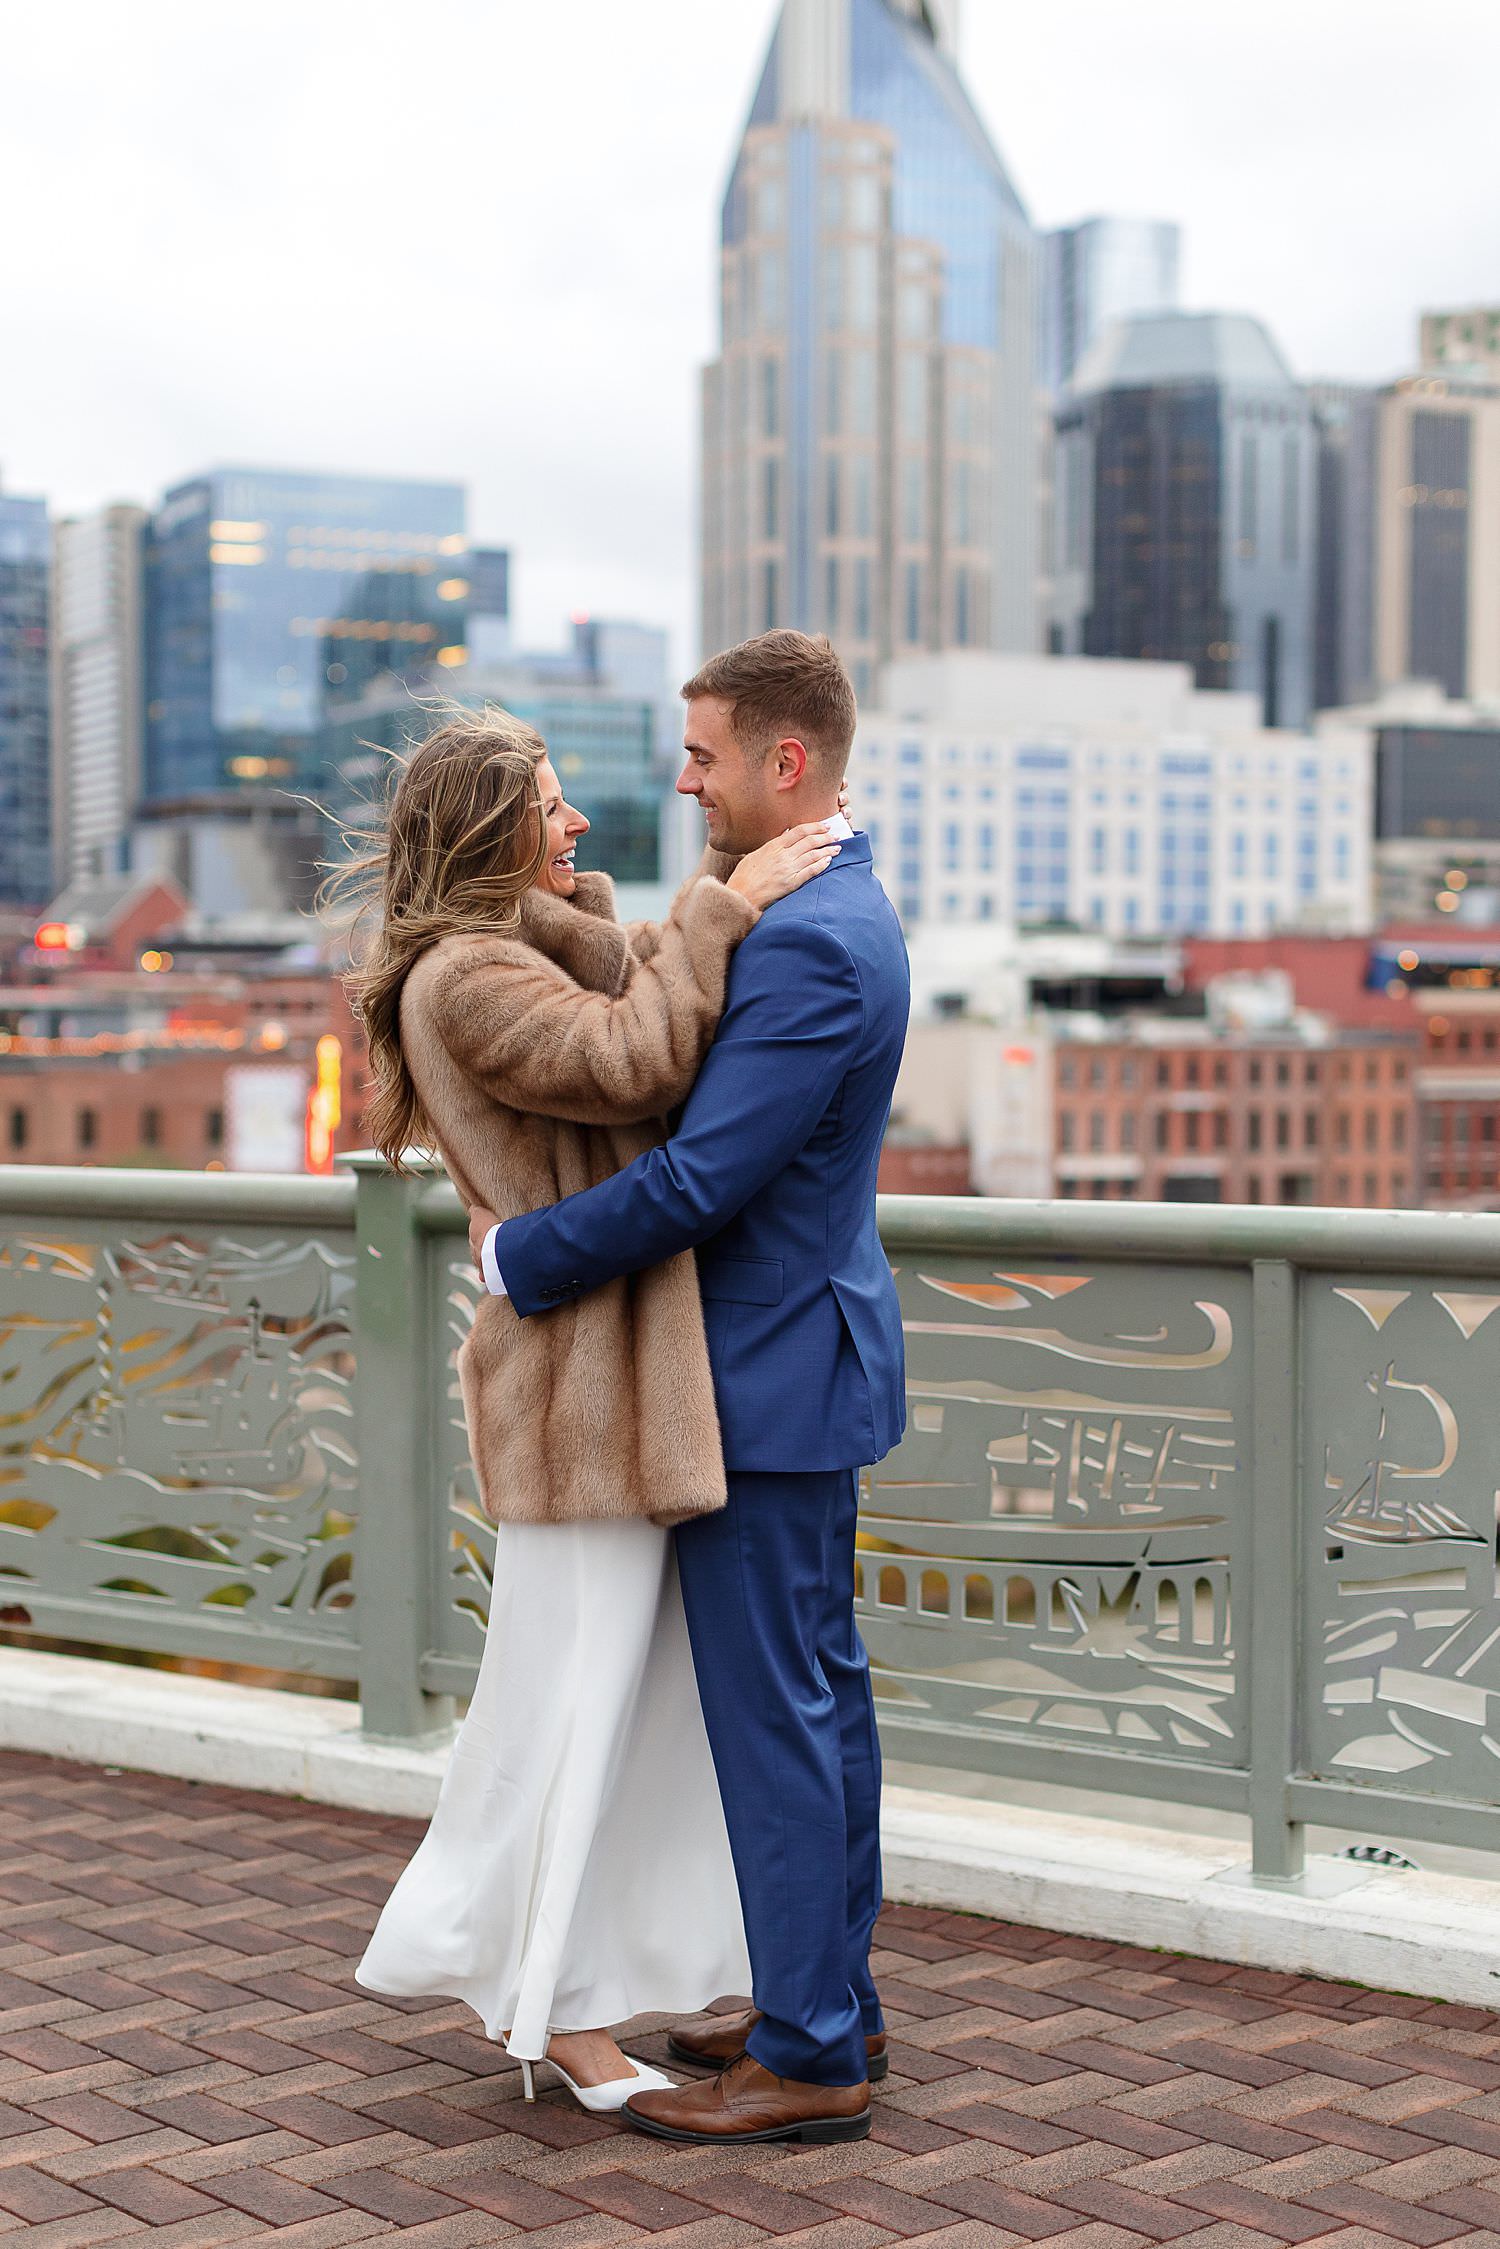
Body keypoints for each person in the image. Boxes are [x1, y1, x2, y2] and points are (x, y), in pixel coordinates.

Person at [342, 706, 838, 2112]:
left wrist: (659, 918)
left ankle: (564, 1984)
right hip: (578, 1403)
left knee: (613, 1710)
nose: (577, 827)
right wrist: (725, 902)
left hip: (613, 1394)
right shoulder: (462, 979)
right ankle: (551, 2008)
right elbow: (637, 1060)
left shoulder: (519, 948)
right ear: (489, 827)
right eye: (550, 808)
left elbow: (627, 999)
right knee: (570, 1708)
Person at [469, 630, 912, 2147]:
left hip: (766, 1375)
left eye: (707, 752)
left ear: (786, 763)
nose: (683, 775)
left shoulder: (808, 943)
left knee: (778, 1713)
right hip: (809, 1356)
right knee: (821, 1700)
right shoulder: (833, 905)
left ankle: (808, 2050)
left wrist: (523, 1254)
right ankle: (822, 1997)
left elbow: (700, 1176)